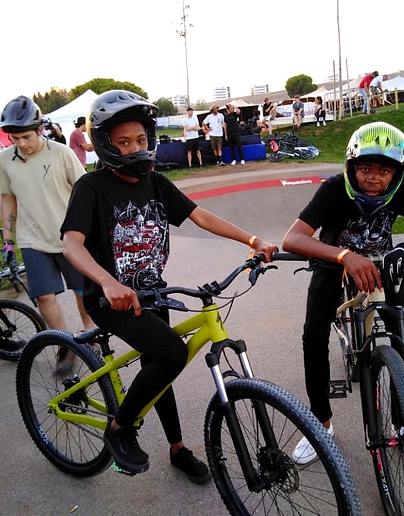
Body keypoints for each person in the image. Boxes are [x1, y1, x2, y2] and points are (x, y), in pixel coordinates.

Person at [60, 90, 278, 481]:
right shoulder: (91, 188)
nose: (135, 148)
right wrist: (108, 283)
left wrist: (252, 240)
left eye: (141, 139)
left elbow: (200, 216)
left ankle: (177, 450)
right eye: (123, 141)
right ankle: (119, 429)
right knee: (171, 355)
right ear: (105, 143)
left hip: (151, 292)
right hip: (111, 300)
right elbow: (71, 244)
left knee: (160, 366)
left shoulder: (156, 183)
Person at [281, 121, 404, 464]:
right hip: (333, 264)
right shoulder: (333, 189)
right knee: (313, 336)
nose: (374, 178)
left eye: (384, 170)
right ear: (351, 167)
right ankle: (320, 424)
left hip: (381, 264)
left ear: (397, 172)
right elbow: (293, 238)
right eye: (365, 168)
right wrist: (345, 255)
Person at [0, 96, 94, 370]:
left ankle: (90, 330)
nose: (21, 144)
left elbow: (83, 189)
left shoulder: (61, 153)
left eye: (26, 136)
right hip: (32, 238)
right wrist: (8, 240)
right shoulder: (5, 160)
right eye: (14, 139)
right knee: (44, 297)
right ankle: (65, 345)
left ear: (39, 129)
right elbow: (7, 199)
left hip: (69, 236)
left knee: (81, 290)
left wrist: (88, 228)